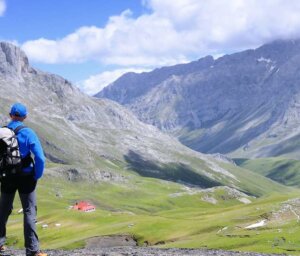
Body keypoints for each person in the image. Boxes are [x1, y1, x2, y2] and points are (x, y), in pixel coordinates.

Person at [0, 103, 47, 256]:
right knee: (29, 211)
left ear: (10, 115)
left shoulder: (2, 132)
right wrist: (36, 175)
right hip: (26, 176)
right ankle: (32, 250)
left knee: (3, 209)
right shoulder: (28, 133)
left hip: (7, 176)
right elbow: (40, 158)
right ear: (25, 117)